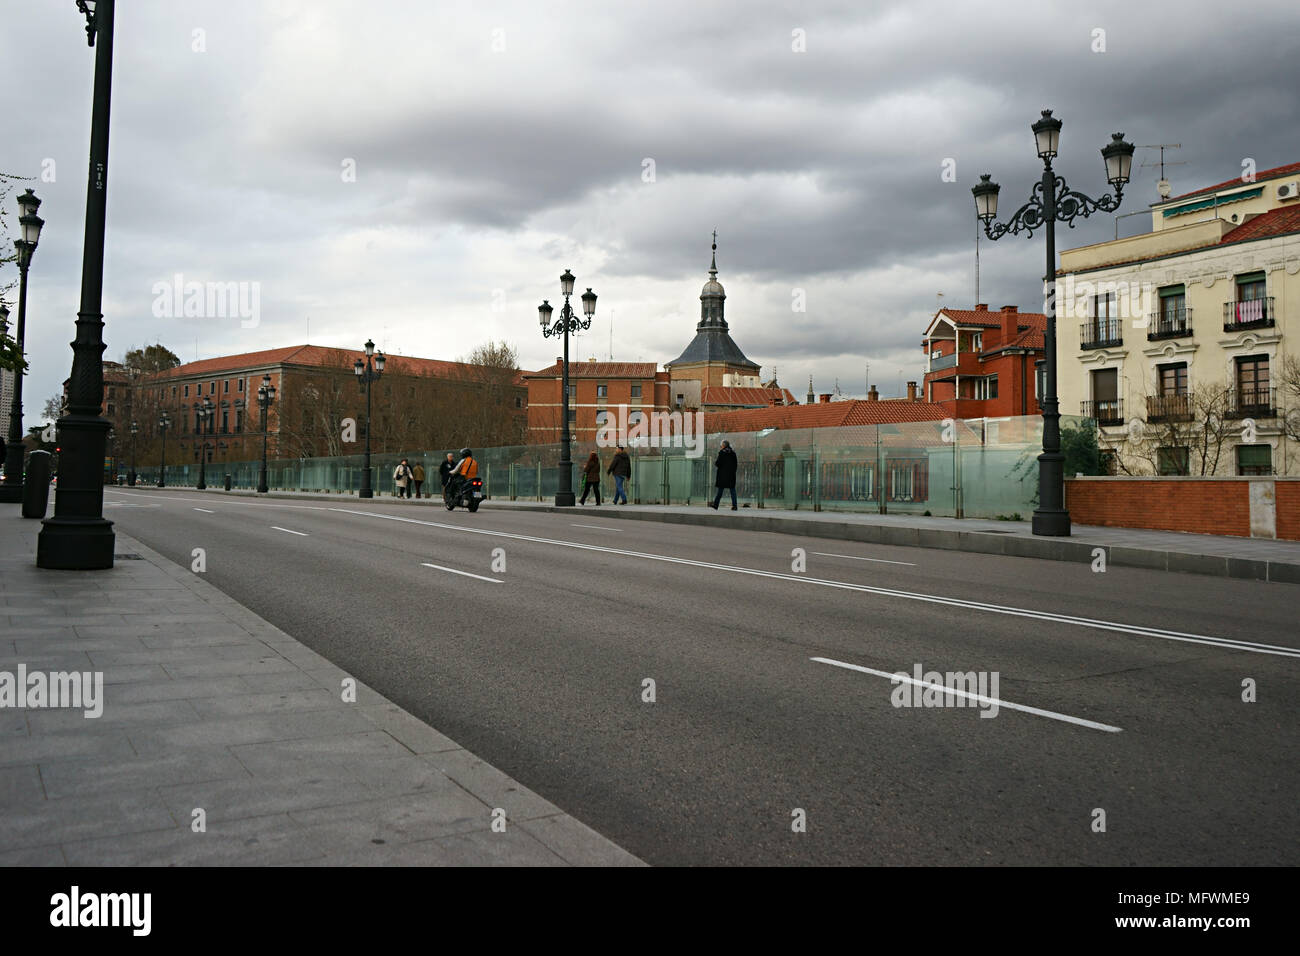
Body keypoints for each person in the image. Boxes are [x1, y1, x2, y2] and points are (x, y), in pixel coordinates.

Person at [709, 440, 738, 511]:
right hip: (731, 475)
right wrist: (733, 472)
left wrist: (717, 463)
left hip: (722, 475)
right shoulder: (733, 453)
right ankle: (735, 506)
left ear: (724, 445)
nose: (720, 446)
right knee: (732, 491)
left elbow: (718, 463)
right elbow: (736, 464)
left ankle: (716, 505)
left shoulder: (722, 453)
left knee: (720, 491)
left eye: (721, 445)